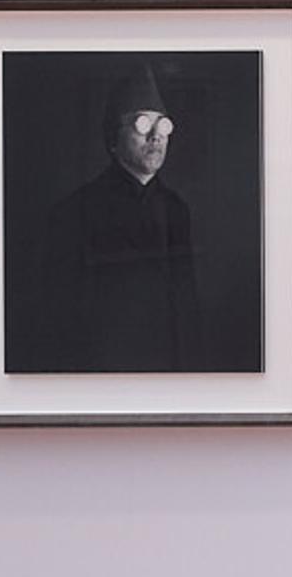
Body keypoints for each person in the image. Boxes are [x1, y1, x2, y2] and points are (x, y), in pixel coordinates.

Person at [14, 70, 209, 373]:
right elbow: (57, 322)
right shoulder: (73, 212)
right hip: (100, 375)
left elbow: (188, 315)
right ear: (113, 137)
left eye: (163, 125)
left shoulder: (176, 210)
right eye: (142, 124)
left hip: (167, 377)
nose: (155, 136)